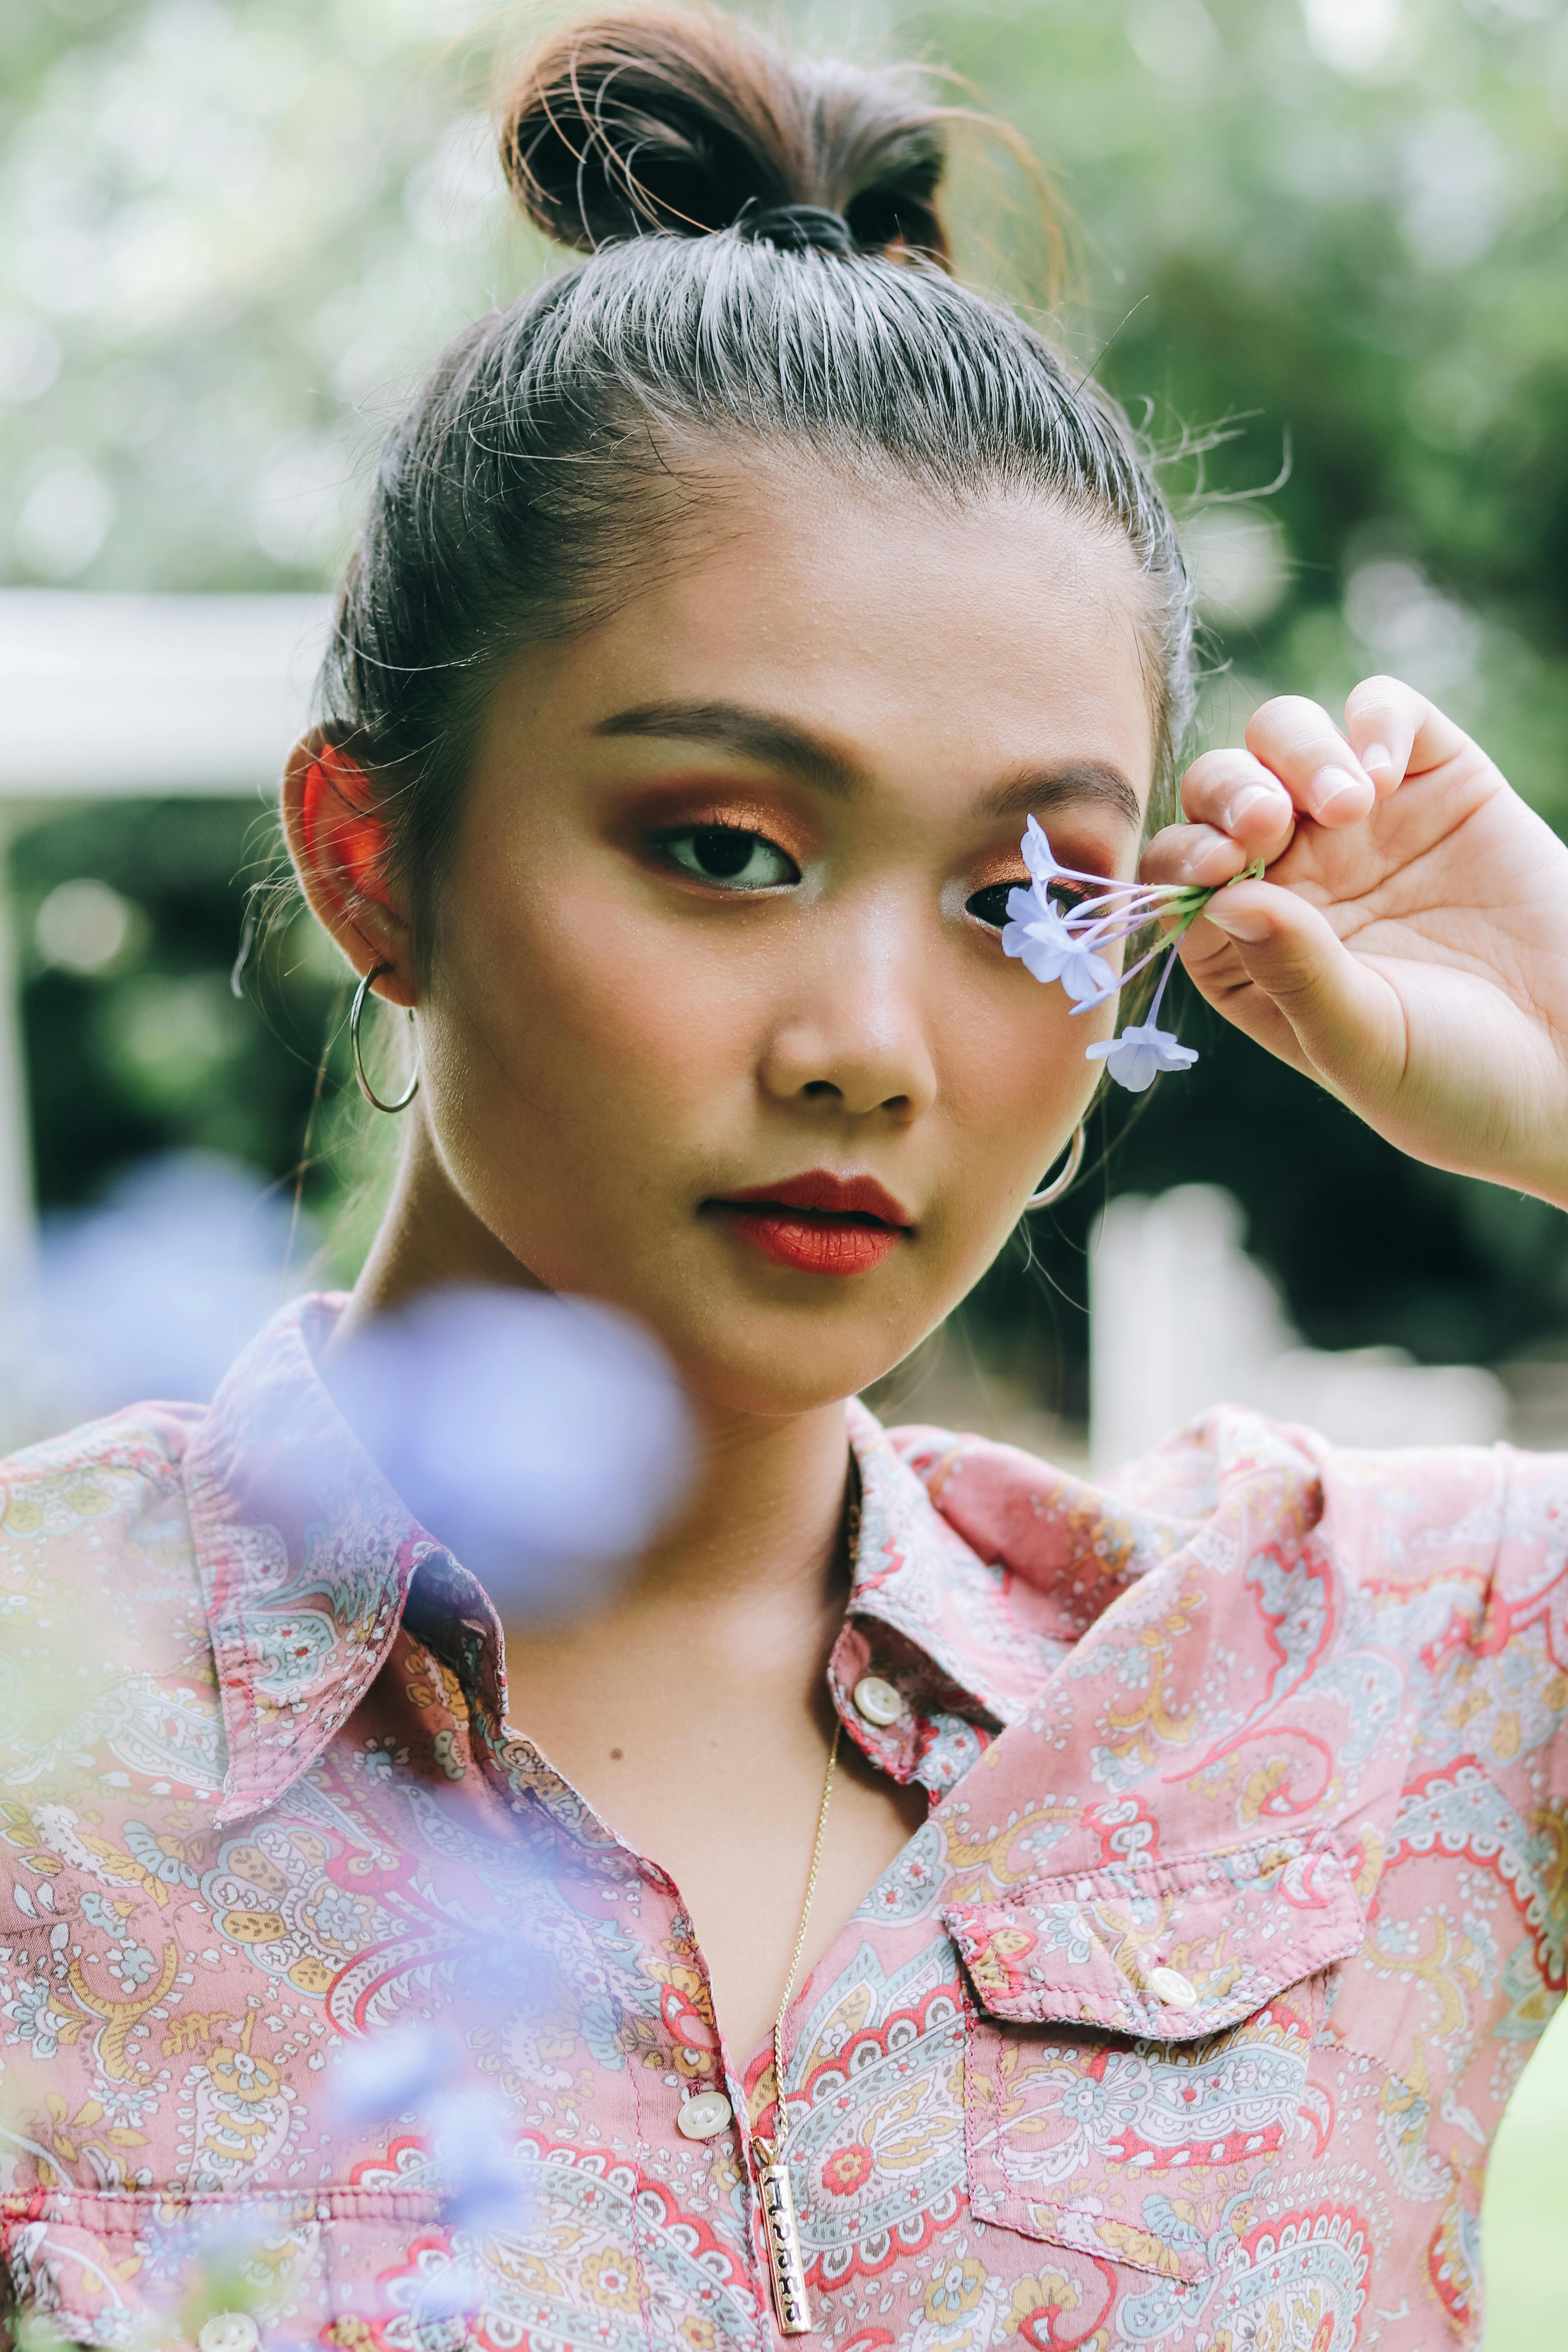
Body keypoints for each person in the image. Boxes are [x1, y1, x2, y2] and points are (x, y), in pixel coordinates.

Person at [3, 10, 1566, 2348]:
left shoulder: (1358, 1681)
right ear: (371, 858)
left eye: (1020, 895)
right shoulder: (46, 1736)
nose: (865, 1047)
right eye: (723, 849)